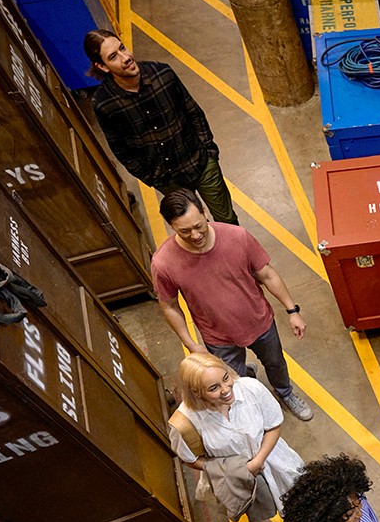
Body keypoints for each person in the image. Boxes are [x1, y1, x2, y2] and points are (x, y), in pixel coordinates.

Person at [153, 189, 314, 422]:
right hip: (218, 338)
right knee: (230, 382)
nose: (196, 235)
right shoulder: (163, 262)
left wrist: (292, 311)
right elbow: (169, 305)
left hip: (260, 323)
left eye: (199, 225)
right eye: (185, 231)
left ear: (204, 211)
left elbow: (267, 274)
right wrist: (191, 344)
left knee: (276, 363)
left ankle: (285, 393)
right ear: (171, 226)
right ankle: (251, 400)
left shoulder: (238, 237)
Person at [83, 28, 238, 225]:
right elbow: (120, 148)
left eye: (122, 48)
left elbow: (194, 113)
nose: (126, 57)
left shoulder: (163, 74)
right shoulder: (104, 103)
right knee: (193, 226)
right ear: (102, 66)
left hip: (200, 163)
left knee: (228, 221)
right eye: (113, 56)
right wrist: (150, 177)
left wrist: (209, 152)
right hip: (168, 180)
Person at [169, 353, 304, 508]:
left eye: (226, 378)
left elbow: (273, 426)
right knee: (260, 507)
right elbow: (190, 460)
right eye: (214, 388)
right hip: (234, 479)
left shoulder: (250, 388)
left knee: (296, 500)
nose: (226, 390)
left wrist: (257, 461)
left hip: (273, 458)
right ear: (196, 392)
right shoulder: (185, 422)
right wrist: (236, 470)